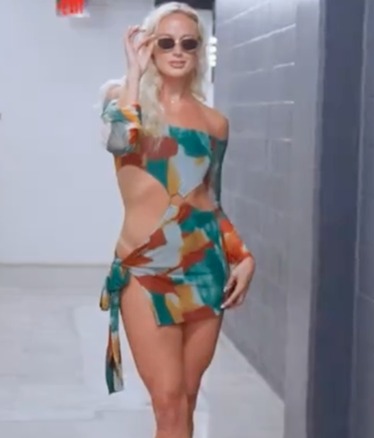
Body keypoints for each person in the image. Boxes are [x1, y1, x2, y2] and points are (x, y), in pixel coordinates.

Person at [97, 3, 255, 437]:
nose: (177, 50)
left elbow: (210, 200)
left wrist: (242, 254)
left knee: (185, 395)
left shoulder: (214, 123)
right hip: (145, 272)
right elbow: (118, 143)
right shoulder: (125, 104)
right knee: (166, 400)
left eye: (188, 42)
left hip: (204, 267)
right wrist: (133, 72)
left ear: (200, 51)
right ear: (150, 46)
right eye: (165, 42)